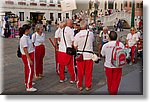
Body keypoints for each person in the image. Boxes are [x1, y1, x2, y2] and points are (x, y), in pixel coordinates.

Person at [101, 31, 124, 95]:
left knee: (109, 79)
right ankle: (113, 92)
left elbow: (102, 54)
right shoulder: (121, 44)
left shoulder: (105, 45)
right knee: (116, 80)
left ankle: (110, 90)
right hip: (117, 65)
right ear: (117, 37)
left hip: (108, 65)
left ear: (109, 37)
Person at [74, 20, 94, 91]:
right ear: (86, 26)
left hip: (80, 56)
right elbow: (92, 41)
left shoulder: (77, 35)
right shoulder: (91, 34)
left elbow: (75, 46)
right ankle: (88, 86)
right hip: (89, 55)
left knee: (80, 72)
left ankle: (80, 86)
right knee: (88, 72)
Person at [57, 19, 76, 83]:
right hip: (67, 50)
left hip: (61, 50)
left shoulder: (61, 30)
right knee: (70, 65)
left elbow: (58, 39)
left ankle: (62, 78)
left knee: (61, 65)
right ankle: (72, 79)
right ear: (70, 24)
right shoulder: (70, 31)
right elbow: (73, 41)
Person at [19, 24, 37, 92]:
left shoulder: (27, 37)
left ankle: (28, 81)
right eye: (29, 29)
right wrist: (29, 59)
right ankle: (29, 86)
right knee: (30, 70)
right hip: (27, 55)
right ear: (27, 30)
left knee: (28, 69)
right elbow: (25, 49)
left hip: (30, 54)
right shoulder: (23, 38)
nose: (30, 30)